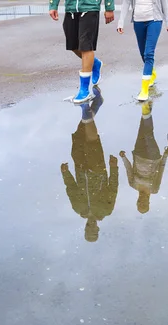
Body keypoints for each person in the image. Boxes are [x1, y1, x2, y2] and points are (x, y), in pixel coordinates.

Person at [61, 87, 119, 242]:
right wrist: (114, 167)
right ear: (98, 228)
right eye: (93, 230)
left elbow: (71, 189)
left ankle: (96, 103)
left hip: (79, 167)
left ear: (86, 227)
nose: (91, 227)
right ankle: (86, 105)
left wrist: (66, 174)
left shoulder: (78, 209)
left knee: (79, 134)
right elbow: (113, 187)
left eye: (88, 229)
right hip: (97, 168)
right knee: (90, 134)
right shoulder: (105, 210)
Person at [50, 0, 115, 103]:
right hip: (71, 9)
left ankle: (84, 90)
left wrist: (109, 7)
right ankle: (95, 63)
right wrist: (53, 5)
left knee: (86, 47)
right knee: (73, 45)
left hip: (90, 7)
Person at [119, 100, 168, 214]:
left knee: (142, 129)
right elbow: (161, 170)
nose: (141, 201)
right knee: (148, 134)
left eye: (139, 203)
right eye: (143, 203)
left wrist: (123, 157)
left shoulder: (133, 185)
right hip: (152, 157)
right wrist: (166, 154)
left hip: (138, 154)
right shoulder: (154, 189)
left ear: (137, 201)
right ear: (148, 203)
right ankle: (146, 106)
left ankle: (148, 105)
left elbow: (129, 169)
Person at [117, 0, 168, 101]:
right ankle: (152, 72)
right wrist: (121, 22)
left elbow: (163, 2)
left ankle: (144, 90)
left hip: (155, 20)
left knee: (148, 54)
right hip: (138, 21)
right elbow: (126, 3)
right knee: (143, 53)